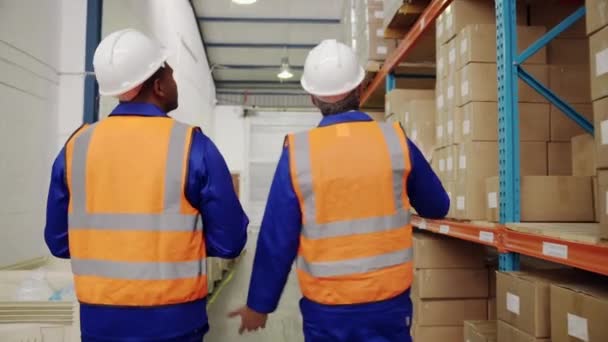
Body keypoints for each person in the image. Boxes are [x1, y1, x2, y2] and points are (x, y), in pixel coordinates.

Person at [229, 39, 449, 341]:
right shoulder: (395, 141)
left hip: (327, 310)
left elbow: (276, 238)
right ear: (361, 88)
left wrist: (260, 305)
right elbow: (437, 206)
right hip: (389, 307)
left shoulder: (298, 152)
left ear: (312, 98)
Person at [44, 29, 248, 342]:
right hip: (175, 321)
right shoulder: (193, 146)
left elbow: (59, 242)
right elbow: (230, 241)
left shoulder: (77, 146)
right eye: (170, 72)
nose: (174, 79)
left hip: (100, 322)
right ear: (157, 86)